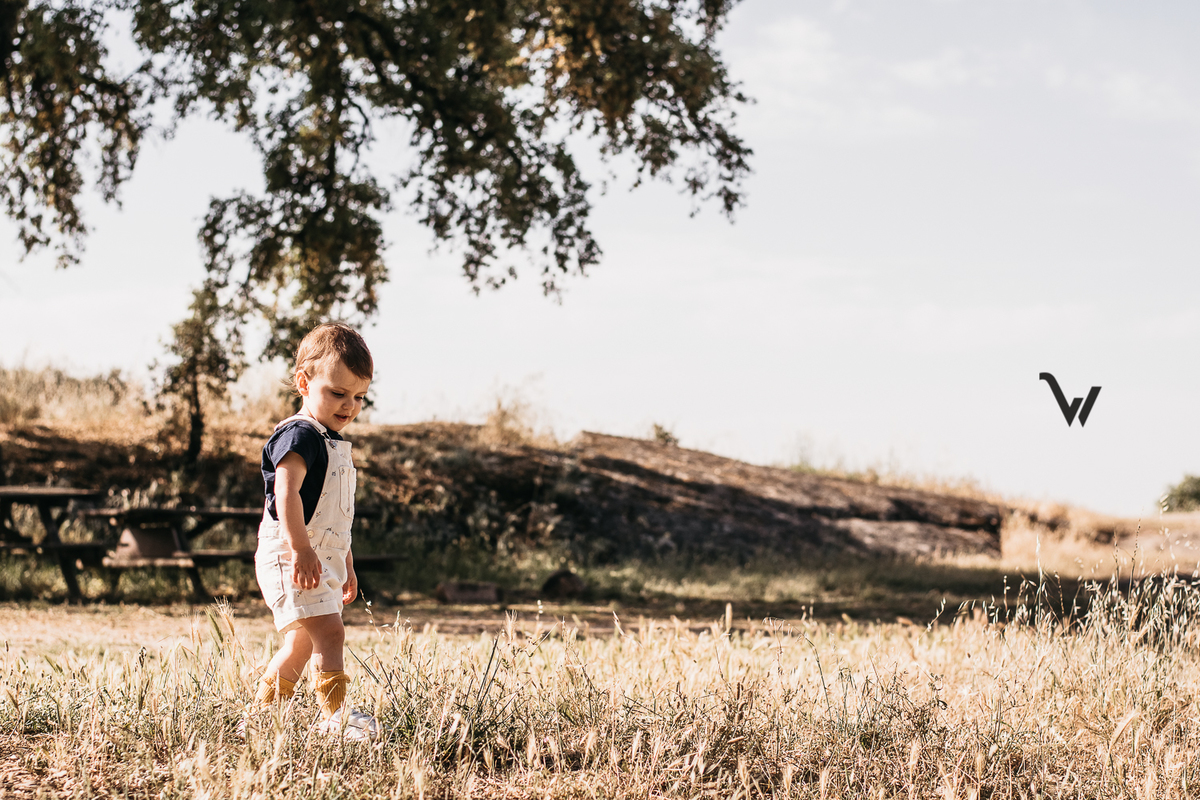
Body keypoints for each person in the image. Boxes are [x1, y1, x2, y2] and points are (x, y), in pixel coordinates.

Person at [246, 322, 379, 740]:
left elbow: (335, 517)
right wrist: (300, 549)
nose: (349, 405)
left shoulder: (332, 440)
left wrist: (347, 564)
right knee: (330, 632)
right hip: (293, 554)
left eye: (359, 396)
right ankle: (336, 719)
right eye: (337, 393)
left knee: (302, 643)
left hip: (321, 555)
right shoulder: (300, 434)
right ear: (304, 382)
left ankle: (264, 716)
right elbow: (286, 494)